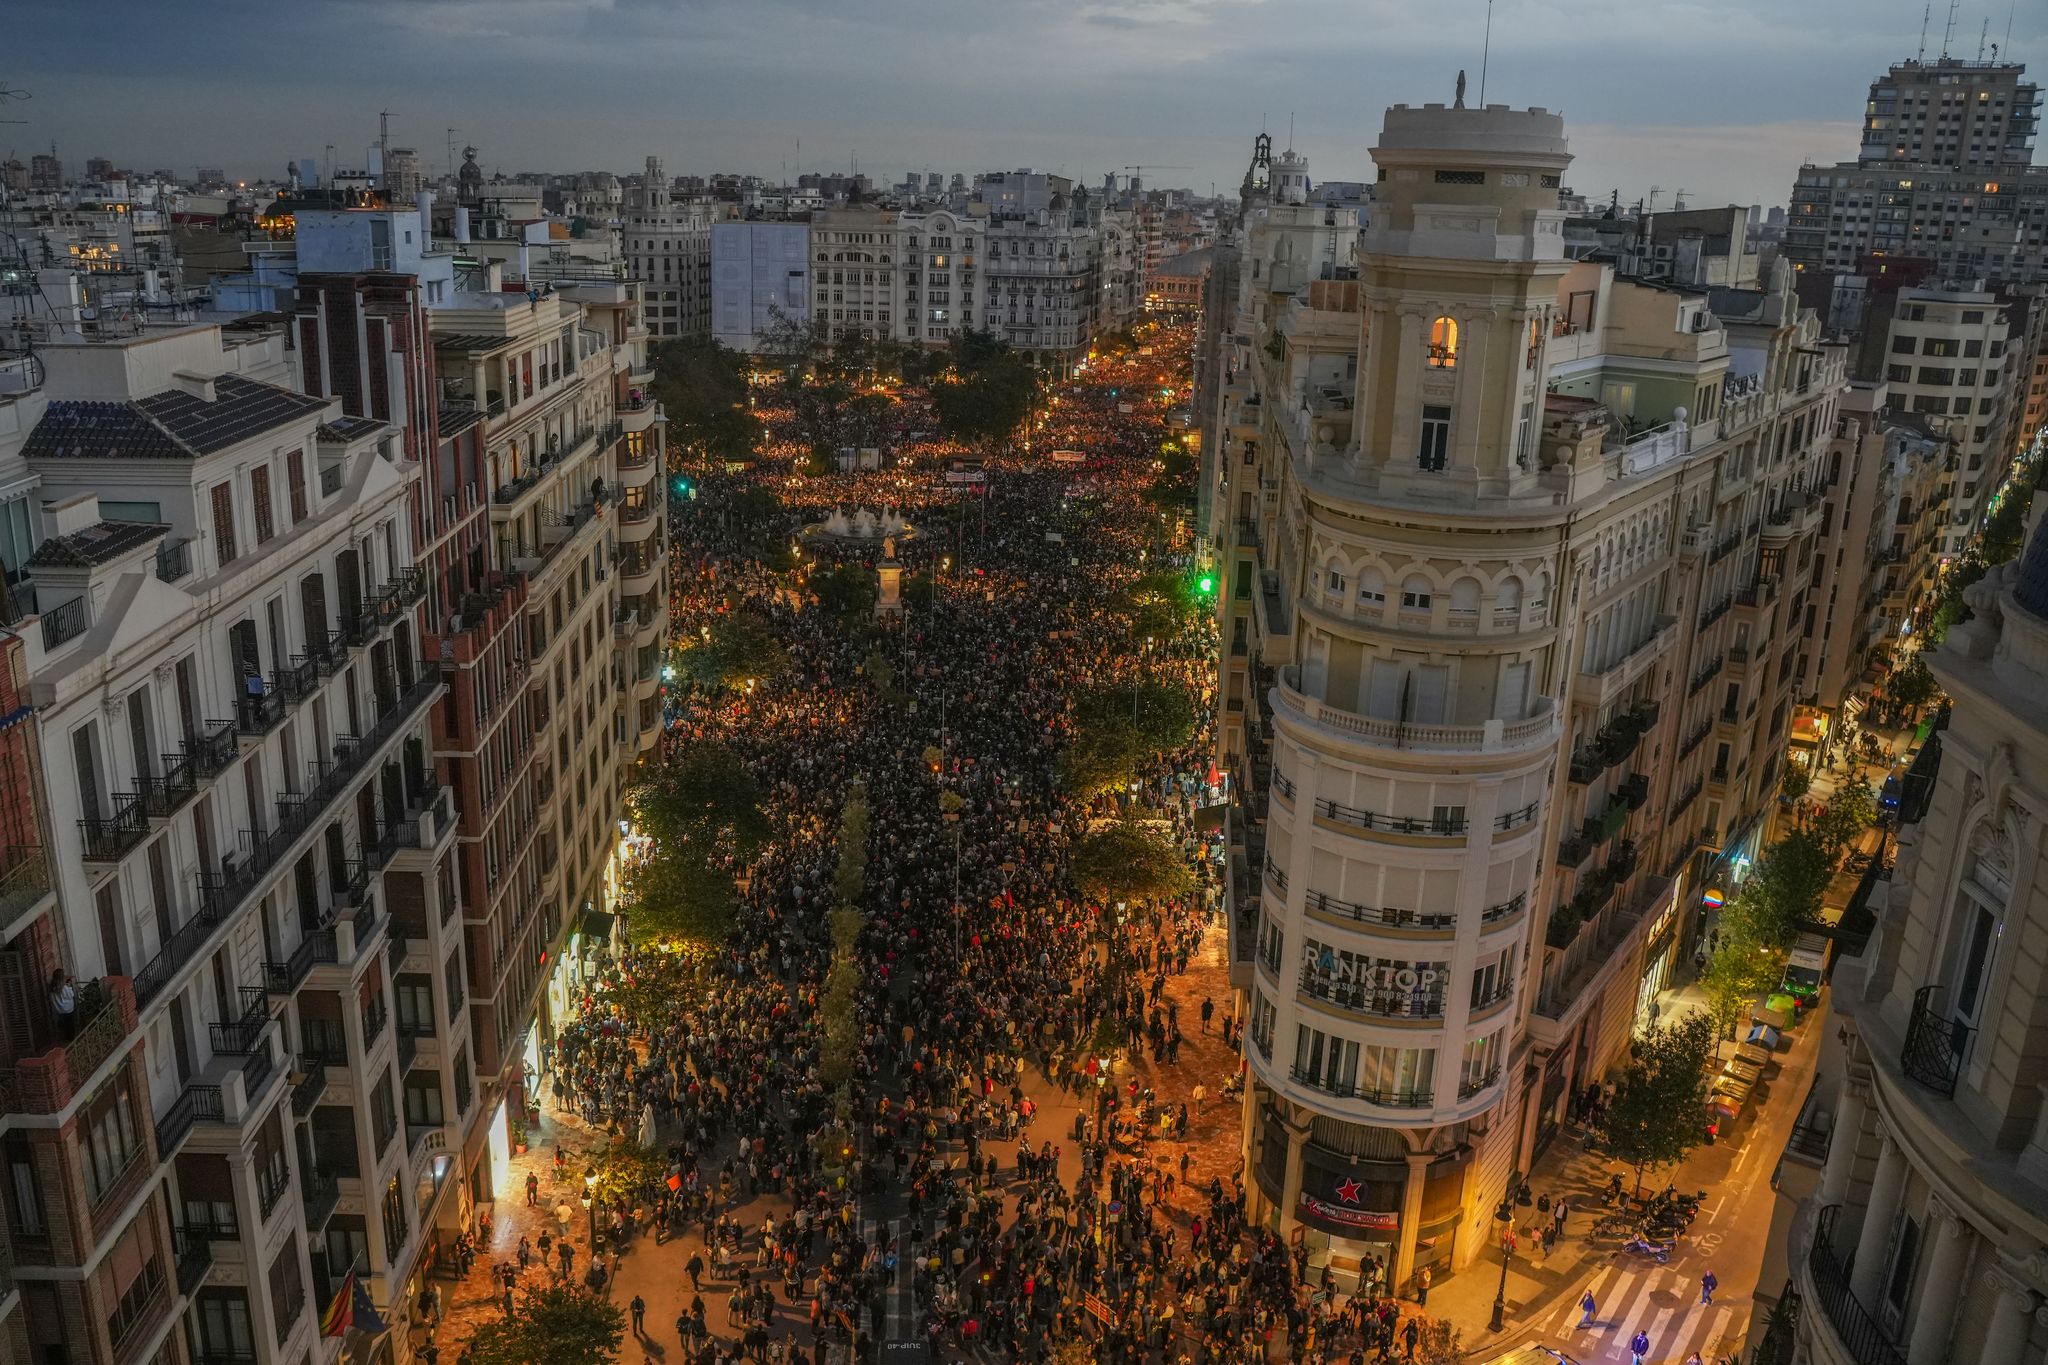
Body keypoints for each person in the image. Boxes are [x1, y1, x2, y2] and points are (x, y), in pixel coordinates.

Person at [48, 969, 75, 1041]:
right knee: (70, 1026)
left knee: (65, 1026)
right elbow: (71, 995)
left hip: (59, 1010)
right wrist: (69, 986)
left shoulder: (51, 986)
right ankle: (71, 1040)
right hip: (68, 1009)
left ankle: (65, 1038)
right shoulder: (64, 987)